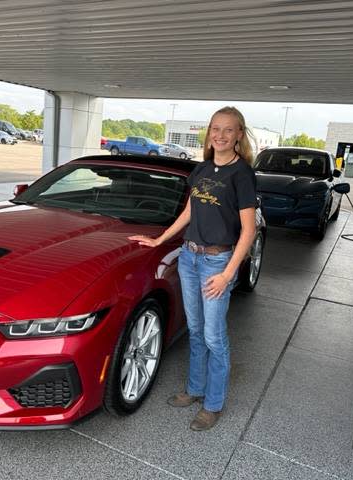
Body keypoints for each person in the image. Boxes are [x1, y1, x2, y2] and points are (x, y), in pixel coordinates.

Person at [129, 106, 257, 431]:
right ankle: (194, 389)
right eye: (216, 129)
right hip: (189, 258)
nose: (221, 135)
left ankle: (213, 404)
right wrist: (160, 241)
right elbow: (189, 212)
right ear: (209, 133)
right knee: (196, 330)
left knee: (215, 336)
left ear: (239, 134)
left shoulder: (241, 174)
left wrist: (228, 273)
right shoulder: (202, 169)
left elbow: (249, 230)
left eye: (228, 130)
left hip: (217, 262)